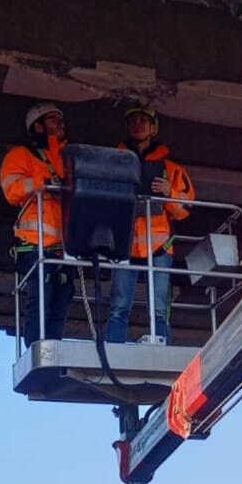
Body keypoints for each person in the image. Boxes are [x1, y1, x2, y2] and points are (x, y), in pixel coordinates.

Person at [105, 107, 196, 344]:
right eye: (133, 120)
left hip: (159, 247)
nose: (138, 124)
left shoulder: (171, 168)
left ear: (153, 127)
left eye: (143, 120)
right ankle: (114, 349)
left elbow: (185, 208)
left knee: (159, 308)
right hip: (125, 245)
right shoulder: (114, 163)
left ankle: (161, 348)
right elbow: (103, 198)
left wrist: (169, 192)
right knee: (118, 306)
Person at [0, 102, 75, 347]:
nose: (60, 124)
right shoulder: (21, 156)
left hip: (63, 248)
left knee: (62, 300)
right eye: (54, 120)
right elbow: (11, 190)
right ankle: (36, 349)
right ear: (39, 126)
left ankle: (53, 347)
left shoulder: (68, 158)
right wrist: (37, 182)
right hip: (35, 244)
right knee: (40, 300)